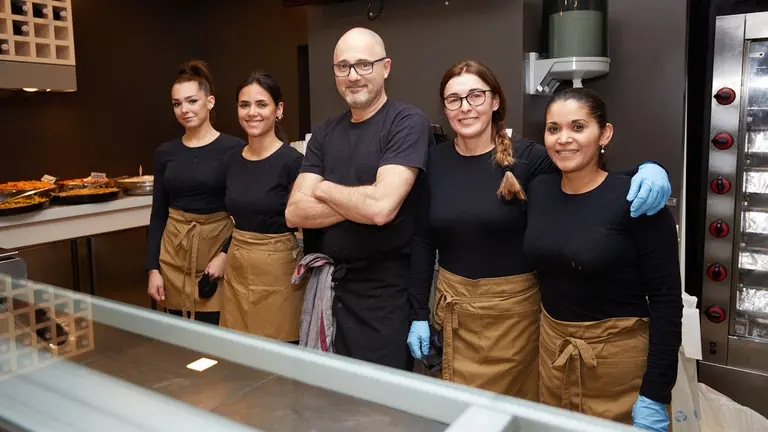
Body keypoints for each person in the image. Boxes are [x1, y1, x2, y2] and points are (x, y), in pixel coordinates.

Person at [407, 60, 673, 401]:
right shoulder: (435, 161)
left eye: (475, 95)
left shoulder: (530, 159)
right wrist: (418, 312)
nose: (466, 107)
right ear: (444, 108)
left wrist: (649, 168)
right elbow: (423, 240)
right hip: (454, 316)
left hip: (514, 322)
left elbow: (585, 172)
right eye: (454, 99)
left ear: (495, 101)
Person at [523, 88, 682, 431]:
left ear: (604, 134)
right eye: (554, 129)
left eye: (578, 127)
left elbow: (668, 302)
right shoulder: (540, 190)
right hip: (555, 358)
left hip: (619, 369)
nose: (564, 139)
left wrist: (655, 392)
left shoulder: (638, 201)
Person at [285, 27, 431, 370]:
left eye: (364, 65)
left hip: (386, 298)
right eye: (343, 66)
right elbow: (294, 212)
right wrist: (361, 201)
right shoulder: (324, 132)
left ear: (386, 67)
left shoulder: (407, 122)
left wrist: (321, 188)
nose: (352, 76)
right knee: (333, 400)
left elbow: (381, 209)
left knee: (381, 411)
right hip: (333, 290)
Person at [146, 60, 245, 325]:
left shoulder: (234, 149)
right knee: (180, 338)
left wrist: (225, 255)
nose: (184, 110)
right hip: (174, 255)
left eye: (192, 101)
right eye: (177, 104)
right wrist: (153, 268)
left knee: (219, 330)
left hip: (216, 252)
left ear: (210, 102)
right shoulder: (165, 153)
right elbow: (158, 214)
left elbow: (247, 212)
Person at [219, 72, 307, 342]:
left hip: (279, 273)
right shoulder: (232, 160)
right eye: (244, 105)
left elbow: (307, 224)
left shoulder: (293, 162)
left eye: (261, 104)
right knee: (238, 354)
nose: (251, 113)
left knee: (277, 358)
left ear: (278, 110)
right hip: (236, 269)